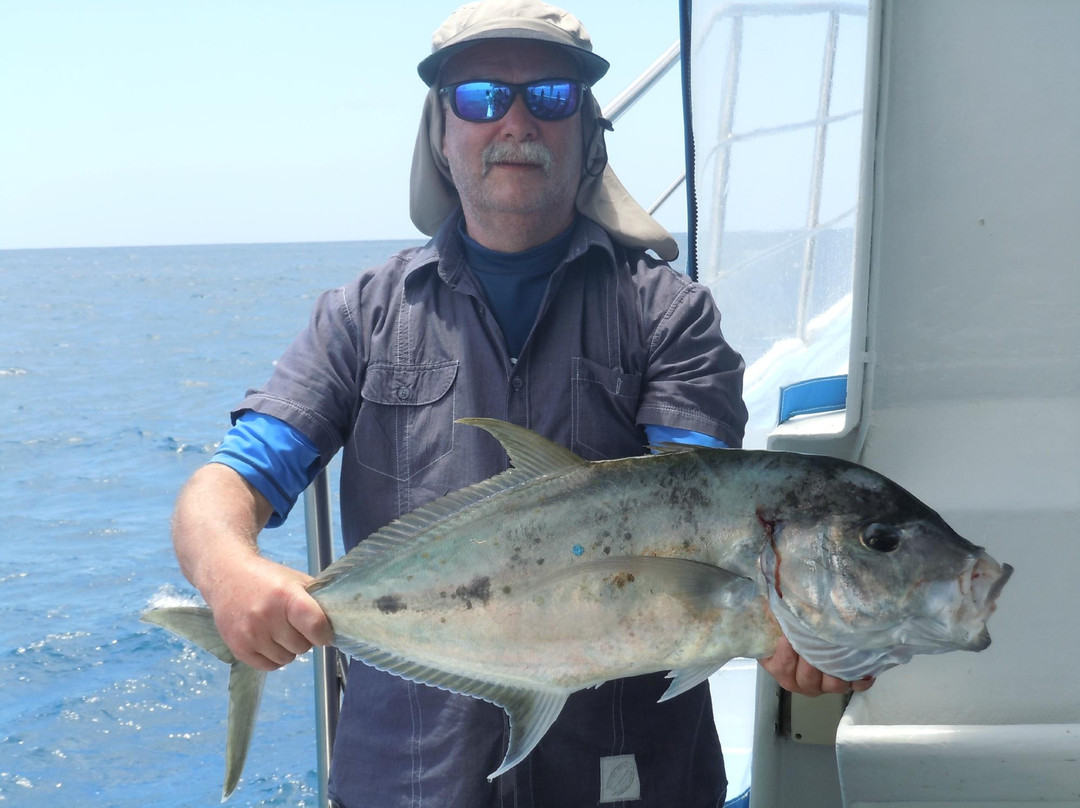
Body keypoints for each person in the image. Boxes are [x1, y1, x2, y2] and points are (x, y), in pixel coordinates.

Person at [171, 1, 872, 805]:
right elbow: (228, 484)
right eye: (478, 97)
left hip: (623, 783)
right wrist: (230, 577)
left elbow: (708, 517)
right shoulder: (362, 316)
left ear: (589, 134)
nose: (515, 120)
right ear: (440, 132)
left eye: (550, 97)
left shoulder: (666, 315)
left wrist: (800, 620)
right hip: (408, 784)